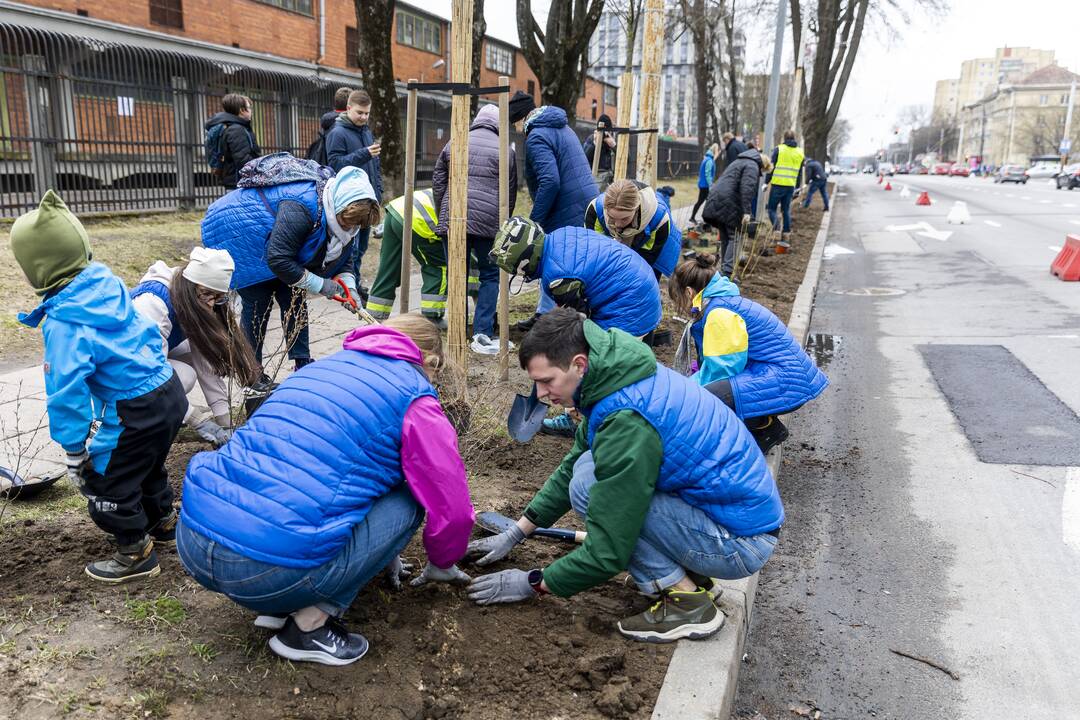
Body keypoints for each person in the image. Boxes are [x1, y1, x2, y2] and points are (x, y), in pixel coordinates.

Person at [463, 308, 784, 643]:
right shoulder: (616, 376)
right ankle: (689, 576)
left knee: (592, 491)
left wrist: (535, 583)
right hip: (725, 516)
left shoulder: (625, 417)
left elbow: (609, 551)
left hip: (738, 541)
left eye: (547, 381)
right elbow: (574, 462)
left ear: (579, 364)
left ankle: (688, 603)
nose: (541, 395)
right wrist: (517, 532)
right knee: (587, 469)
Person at [177, 315, 475, 666]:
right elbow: (450, 505)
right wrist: (442, 562)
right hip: (261, 569)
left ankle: (280, 604)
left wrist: (383, 550)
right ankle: (308, 626)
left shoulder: (322, 369)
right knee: (413, 497)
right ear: (430, 363)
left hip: (194, 541)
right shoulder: (415, 397)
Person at [11, 191, 187, 583]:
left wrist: (75, 451)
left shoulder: (64, 322)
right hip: (168, 390)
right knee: (145, 463)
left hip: (135, 407)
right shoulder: (105, 285)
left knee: (106, 479)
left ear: (38, 269)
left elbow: (66, 392)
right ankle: (162, 521)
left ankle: (135, 551)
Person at [201, 157, 381, 374]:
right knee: (258, 303)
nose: (350, 229)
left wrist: (349, 287)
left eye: (356, 226)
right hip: (243, 235)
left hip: (278, 243)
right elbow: (278, 259)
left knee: (294, 298)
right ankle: (252, 371)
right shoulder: (302, 207)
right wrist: (322, 285)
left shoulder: (346, 218)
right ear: (340, 207)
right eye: (347, 222)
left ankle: (302, 363)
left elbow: (345, 260)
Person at [490, 216, 661, 437]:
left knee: (595, 362)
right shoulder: (559, 235)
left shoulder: (559, 277)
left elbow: (577, 329)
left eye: (516, 268)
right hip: (641, 284)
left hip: (630, 305)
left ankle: (583, 419)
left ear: (525, 259)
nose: (518, 273)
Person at [669, 253, 828, 453]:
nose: (681, 307)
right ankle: (763, 426)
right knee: (708, 391)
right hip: (783, 375)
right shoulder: (721, 302)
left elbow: (723, 371)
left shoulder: (720, 313)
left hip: (786, 380)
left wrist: (682, 391)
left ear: (690, 292)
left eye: (678, 299)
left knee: (709, 396)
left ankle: (763, 430)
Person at [131, 248, 262, 448]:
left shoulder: (196, 300)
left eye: (217, 297)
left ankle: (170, 410)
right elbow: (149, 372)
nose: (211, 304)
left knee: (203, 348)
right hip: (119, 373)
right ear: (190, 286)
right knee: (183, 375)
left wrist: (225, 424)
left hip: (147, 362)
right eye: (206, 294)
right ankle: (141, 422)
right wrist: (196, 420)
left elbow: (205, 361)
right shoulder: (153, 303)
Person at [432, 104, 517, 355]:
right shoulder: (505, 149)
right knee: (490, 274)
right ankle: (482, 333)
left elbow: (438, 180)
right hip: (489, 222)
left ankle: (458, 329)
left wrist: (443, 214)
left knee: (457, 272)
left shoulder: (455, 141)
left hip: (455, 217)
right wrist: (503, 221)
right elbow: (509, 191)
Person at [515, 104, 599, 332]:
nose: (516, 129)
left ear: (522, 120)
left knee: (556, 260)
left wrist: (535, 222)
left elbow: (550, 181)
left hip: (566, 206)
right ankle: (544, 313)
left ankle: (562, 322)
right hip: (583, 202)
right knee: (559, 258)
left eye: (515, 123)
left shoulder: (536, 136)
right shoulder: (562, 127)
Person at [325, 89, 383, 292]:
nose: (364, 117)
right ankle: (351, 287)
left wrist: (378, 191)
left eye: (367, 113)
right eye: (360, 112)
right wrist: (363, 154)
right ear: (348, 108)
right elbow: (335, 165)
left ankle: (355, 285)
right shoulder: (337, 133)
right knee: (353, 249)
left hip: (368, 200)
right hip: (350, 204)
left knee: (363, 248)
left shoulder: (366, 131)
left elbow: (375, 167)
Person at [367, 189, 447, 326]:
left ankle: (373, 318)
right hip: (417, 220)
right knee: (438, 266)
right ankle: (432, 318)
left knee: (388, 269)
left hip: (395, 211)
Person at [584, 179, 682, 279]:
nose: (618, 224)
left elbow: (645, 263)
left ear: (636, 210)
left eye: (624, 219)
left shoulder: (660, 220)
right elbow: (595, 252)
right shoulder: (595, 210)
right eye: (612, 218)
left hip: (649, 242)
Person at [701, 147, 766, 277]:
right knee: (736, 237)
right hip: (729, 203)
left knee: (726, 237)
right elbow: (747, 188)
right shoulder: (752, 165)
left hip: (717, 200)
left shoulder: (739, 161)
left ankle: (724, 271)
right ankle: (728, 273)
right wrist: (747, 212)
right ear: (763, 165)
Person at [205, 94, 261, 190]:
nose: (251, 111)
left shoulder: (233, 127)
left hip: (235, 181)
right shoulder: (236, 129)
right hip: (239, 182)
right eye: (249, 107)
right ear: (241, 110)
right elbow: (243, 160)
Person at [766, 130, 804, 249]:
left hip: (778, 184)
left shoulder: (779, 149)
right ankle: (786, 234)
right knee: (785, 210)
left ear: (784, 138)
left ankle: (777, 229)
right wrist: (797, 187)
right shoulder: (799, 152)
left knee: (771, 209)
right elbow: (799, 172)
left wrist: (767, 182)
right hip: (790, 186)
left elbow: (772, 167)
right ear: (794, 138)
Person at [582, 114, 616, 190]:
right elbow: (584, 159)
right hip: (597, 178)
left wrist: (614, 146)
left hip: (611, 178)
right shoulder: (591, 139)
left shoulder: (612, 140)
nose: (605, 134)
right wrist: (595, 144)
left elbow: (627, 158)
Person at [690, 143, 719, 225]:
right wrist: (711, 185)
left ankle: (695, 217)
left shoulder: (707, 159)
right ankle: (697, 218)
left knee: (704, 201)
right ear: (715, 151)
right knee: (704, 202)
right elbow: (707, 174)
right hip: (705, 185)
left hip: (703, 184)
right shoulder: (709, 160)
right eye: (717, 151)